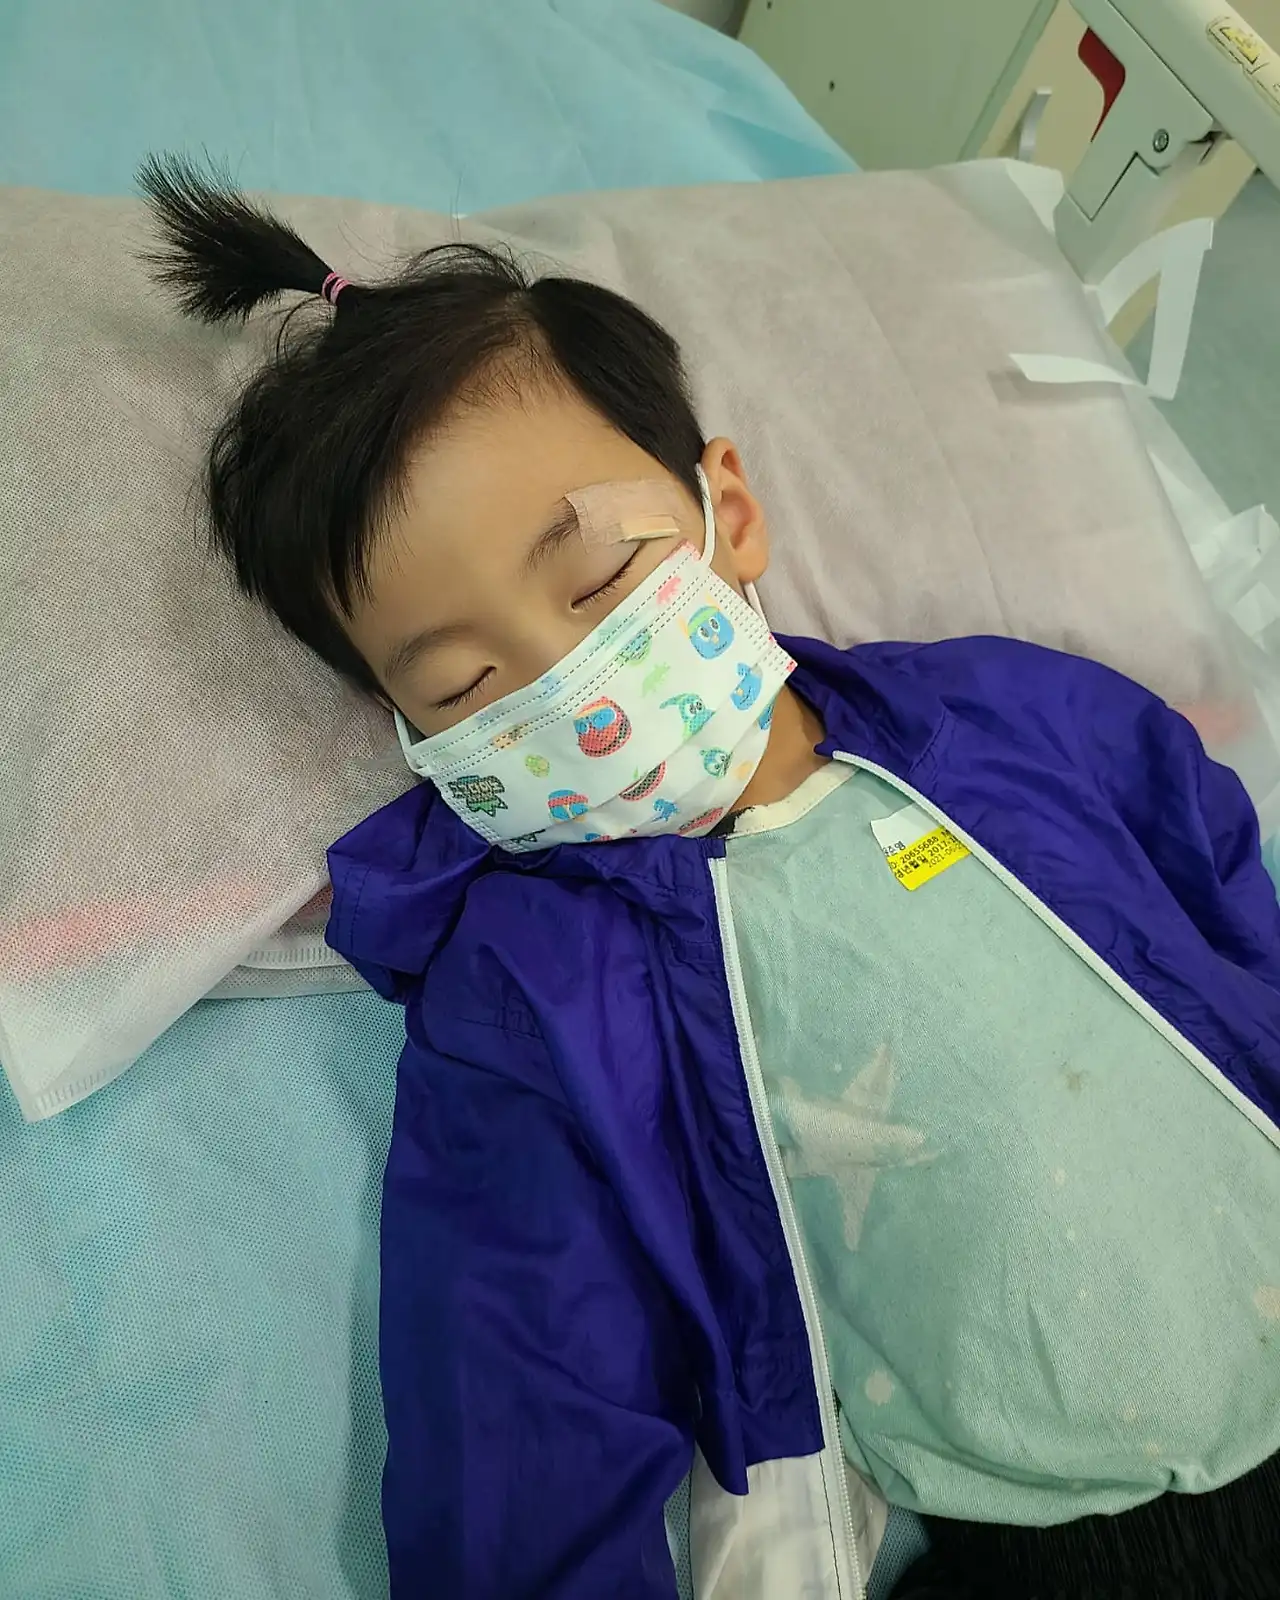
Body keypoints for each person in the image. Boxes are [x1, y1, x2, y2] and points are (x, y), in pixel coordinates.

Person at [140, 155, 1280, 1600]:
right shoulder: (530, 993)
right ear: (412, 736)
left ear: (726, 508)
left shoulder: (1007, 712)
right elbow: (521, 1385)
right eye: (466, 681)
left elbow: (1213, 873)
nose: (568, 688)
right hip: (1077, 1530)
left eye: (597, 578)